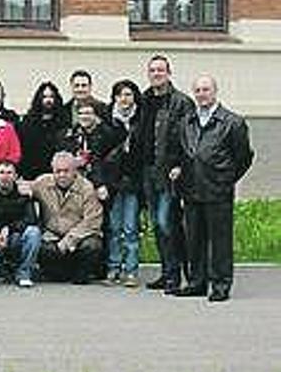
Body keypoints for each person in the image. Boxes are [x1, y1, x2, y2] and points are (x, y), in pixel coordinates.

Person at [172, 75, 253, 302]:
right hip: (191, 189)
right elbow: (182, 152)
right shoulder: (186, 121)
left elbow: (244, 157)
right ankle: (197, 282)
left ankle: (220, 284)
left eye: (205, 89)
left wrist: (226, 179)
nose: (201, 94)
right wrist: (179, 169)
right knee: (194, 239)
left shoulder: (232, 122)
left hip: (218, 191)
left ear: (215, 91)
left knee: (220, 242)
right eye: (197, 90)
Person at [140, 55, 194, 293]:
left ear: (169, 73)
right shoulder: (144, 100)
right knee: (157, 224)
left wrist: (180, 165)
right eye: (152, 70)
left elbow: (190, 139)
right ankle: (166, 272)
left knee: (167, 222)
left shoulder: (181, 102)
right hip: (148, 170)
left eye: (160, 70)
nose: (156, 74)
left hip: (168, 172)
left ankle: (176, 275)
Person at [31, 151, 103, 284]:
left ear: (75, 171)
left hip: (80, 236)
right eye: (58, 171)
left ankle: (81, 275)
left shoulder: (87, 188)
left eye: (66, 171)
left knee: (93, 245)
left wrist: (68, 241)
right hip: (52, 236)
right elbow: (25, 189)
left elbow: (92, 222)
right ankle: (57, 274)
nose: (61, 175)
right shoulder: (42, 183)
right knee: (37, 245)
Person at [103, 80, 145, 287]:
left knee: (130, 228)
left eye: (128, 94)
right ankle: (113, 268)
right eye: (120, 95)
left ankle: (131, 270)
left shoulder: (141, 118)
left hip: (133, 182)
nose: (124, 99)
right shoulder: (108, 120)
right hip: (113, 183)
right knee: (114, 227)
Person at [0, 160, 41, 287]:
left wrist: (9, 229)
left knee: (34, 232)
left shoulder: (23, 195)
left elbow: (31, 220)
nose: (5, 177)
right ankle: (5, 271)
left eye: (9, 173)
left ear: (16, 176)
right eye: (1, 173)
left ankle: (23, 272)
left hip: (14, 240)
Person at [18, 81, 66, 180]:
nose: (48, 100)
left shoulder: (63, 122)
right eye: (44, 97)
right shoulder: (28, 122)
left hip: (57, 175)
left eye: (51, 97)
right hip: (32, 175)